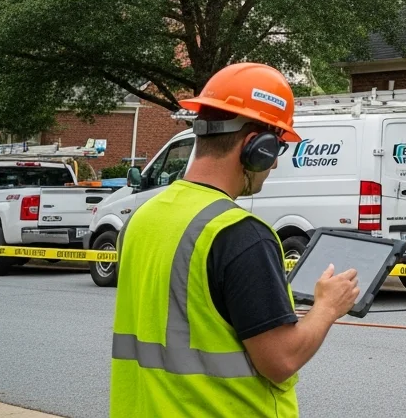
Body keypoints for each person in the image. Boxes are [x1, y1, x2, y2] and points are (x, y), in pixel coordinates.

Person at [110, 63, 360, 417]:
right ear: (256, 147)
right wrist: (327, 308)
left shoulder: (142, 218)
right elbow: (281, 359)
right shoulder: (240, 234)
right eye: (276, 149)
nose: (273, 166)